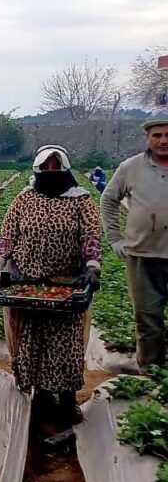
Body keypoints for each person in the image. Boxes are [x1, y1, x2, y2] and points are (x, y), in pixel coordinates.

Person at [0, 145, 102, 425]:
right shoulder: (24, 200)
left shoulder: (80, 201)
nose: (51, 172)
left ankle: (66, 399)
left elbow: (90, 238)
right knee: (31, 341)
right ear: (38, 169)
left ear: (64, 169)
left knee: (66, 343)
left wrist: (92, 267)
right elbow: (8, 235)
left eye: (56, 167)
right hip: (26, 283)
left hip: (65, 284)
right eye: (46, 167)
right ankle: (39, 395)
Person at [101, 119, 168, 368]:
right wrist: (115, 238)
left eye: (167, 135)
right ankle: (152, 373)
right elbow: (108, 200)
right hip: (142, 255)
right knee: (147, 318)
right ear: (147, 139)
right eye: (157, 135)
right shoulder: (130, 167)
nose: (163, 140)